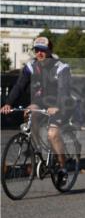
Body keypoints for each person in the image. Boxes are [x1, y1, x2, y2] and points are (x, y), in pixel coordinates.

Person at [1, 36, 72, 183]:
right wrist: (8, 103)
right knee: (29, 112)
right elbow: (20, 86)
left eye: (43, 50)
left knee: (53, 134)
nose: (39, 53)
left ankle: (63, 167)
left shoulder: (61, 67)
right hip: (41, 102)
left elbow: (64, 90)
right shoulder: (31, 66)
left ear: (50, 51)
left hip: (60, 104)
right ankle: (36, 148)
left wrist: (57, 106)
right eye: (37, 50)